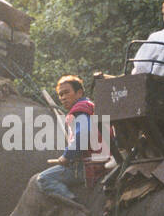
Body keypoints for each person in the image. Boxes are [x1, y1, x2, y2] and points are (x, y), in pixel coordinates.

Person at [36, 75, 109, 204]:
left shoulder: (80, 109)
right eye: (60, 95)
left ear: (79, 92)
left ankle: (73, 204)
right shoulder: (92, 106)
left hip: (88, 166)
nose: (63, 98)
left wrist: (66, 157)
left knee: (43, 179)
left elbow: (83, 134)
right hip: (104, 160)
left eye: (66, 92)